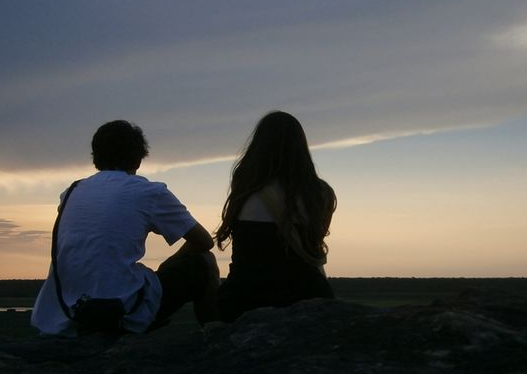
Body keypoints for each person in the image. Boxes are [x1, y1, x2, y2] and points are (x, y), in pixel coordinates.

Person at [31, 120, 218, 335]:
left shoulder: (71, 192)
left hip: (65, 316)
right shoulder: (150, 193)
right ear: (138, 159)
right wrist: (171, 261)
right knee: (205, 261)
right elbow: (204, 241)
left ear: (96, 159)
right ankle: (214, 339)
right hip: (119, 312)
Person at [214, 111, 337, 321]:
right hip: (302, 296)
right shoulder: (320, 194)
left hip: (243, 300)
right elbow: (314, 249)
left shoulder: (245, 190)